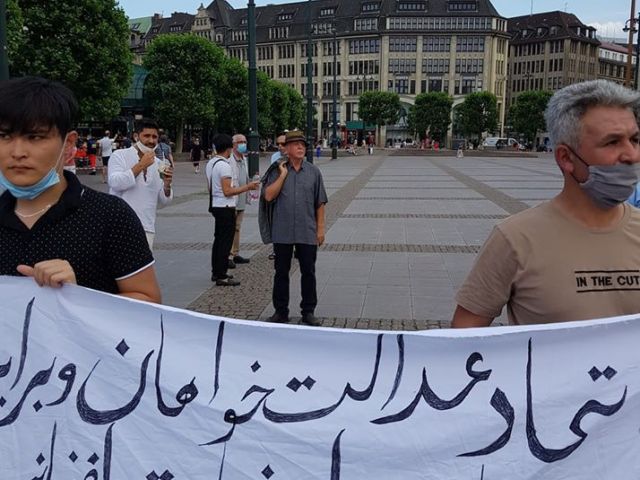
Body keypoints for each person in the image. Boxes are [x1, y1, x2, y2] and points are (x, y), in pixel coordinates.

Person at [452, 79, 640, 328]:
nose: (632, 155)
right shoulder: (514, 238)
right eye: (612, 142)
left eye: (635, 140)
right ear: (566, 158)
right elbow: (464, 334)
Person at [0, 76, 161, 302]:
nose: (17, 152)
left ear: (68, 144)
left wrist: (81, 297)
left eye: (34, 137)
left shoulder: (110, 216)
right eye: (4, 136)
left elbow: (150, 303)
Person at [264, 130, 328, 326]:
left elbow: (320, 202)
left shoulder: (313, 172)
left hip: (307, 230)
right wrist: (283, 175)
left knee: (308, 271)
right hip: (282, 230)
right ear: (287, 149)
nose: (301, 147)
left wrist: (320, 228)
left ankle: (308, 311)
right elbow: (268, 196)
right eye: (296, 144)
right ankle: (280, 311)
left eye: (303, 144)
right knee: (281, 272)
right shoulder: (276, 170)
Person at [108, 119, 173, 250]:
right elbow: (115, 183)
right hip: (121, 225)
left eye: (154, 137)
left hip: (147, 226)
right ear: (136, 136)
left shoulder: (159, 163)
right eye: (147, 136)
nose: (151, 141)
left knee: (144, 269)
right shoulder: (119, 155)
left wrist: (167, 185)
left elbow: (163, 200)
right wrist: (141, 165)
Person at [206, 133, 259, 286]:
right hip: (225, 206)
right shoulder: (224, 166)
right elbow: (228, 191)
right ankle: (221, 274)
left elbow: (210, 187)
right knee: (224, 242)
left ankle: (216, 272)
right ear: (229, 148)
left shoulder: (211, 163)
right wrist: (248, 187)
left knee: (218, 241)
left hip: (215, 204)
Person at [228, 134, 252, 269]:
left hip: (242, 197)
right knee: (231, 227)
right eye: (240, 142)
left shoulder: (244, 158)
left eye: (244, 141)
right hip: (233, 197)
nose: (243, 144)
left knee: (237, 227)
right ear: (234, 144)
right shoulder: (230, 159)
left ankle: (235, 253)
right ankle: (229, 255)